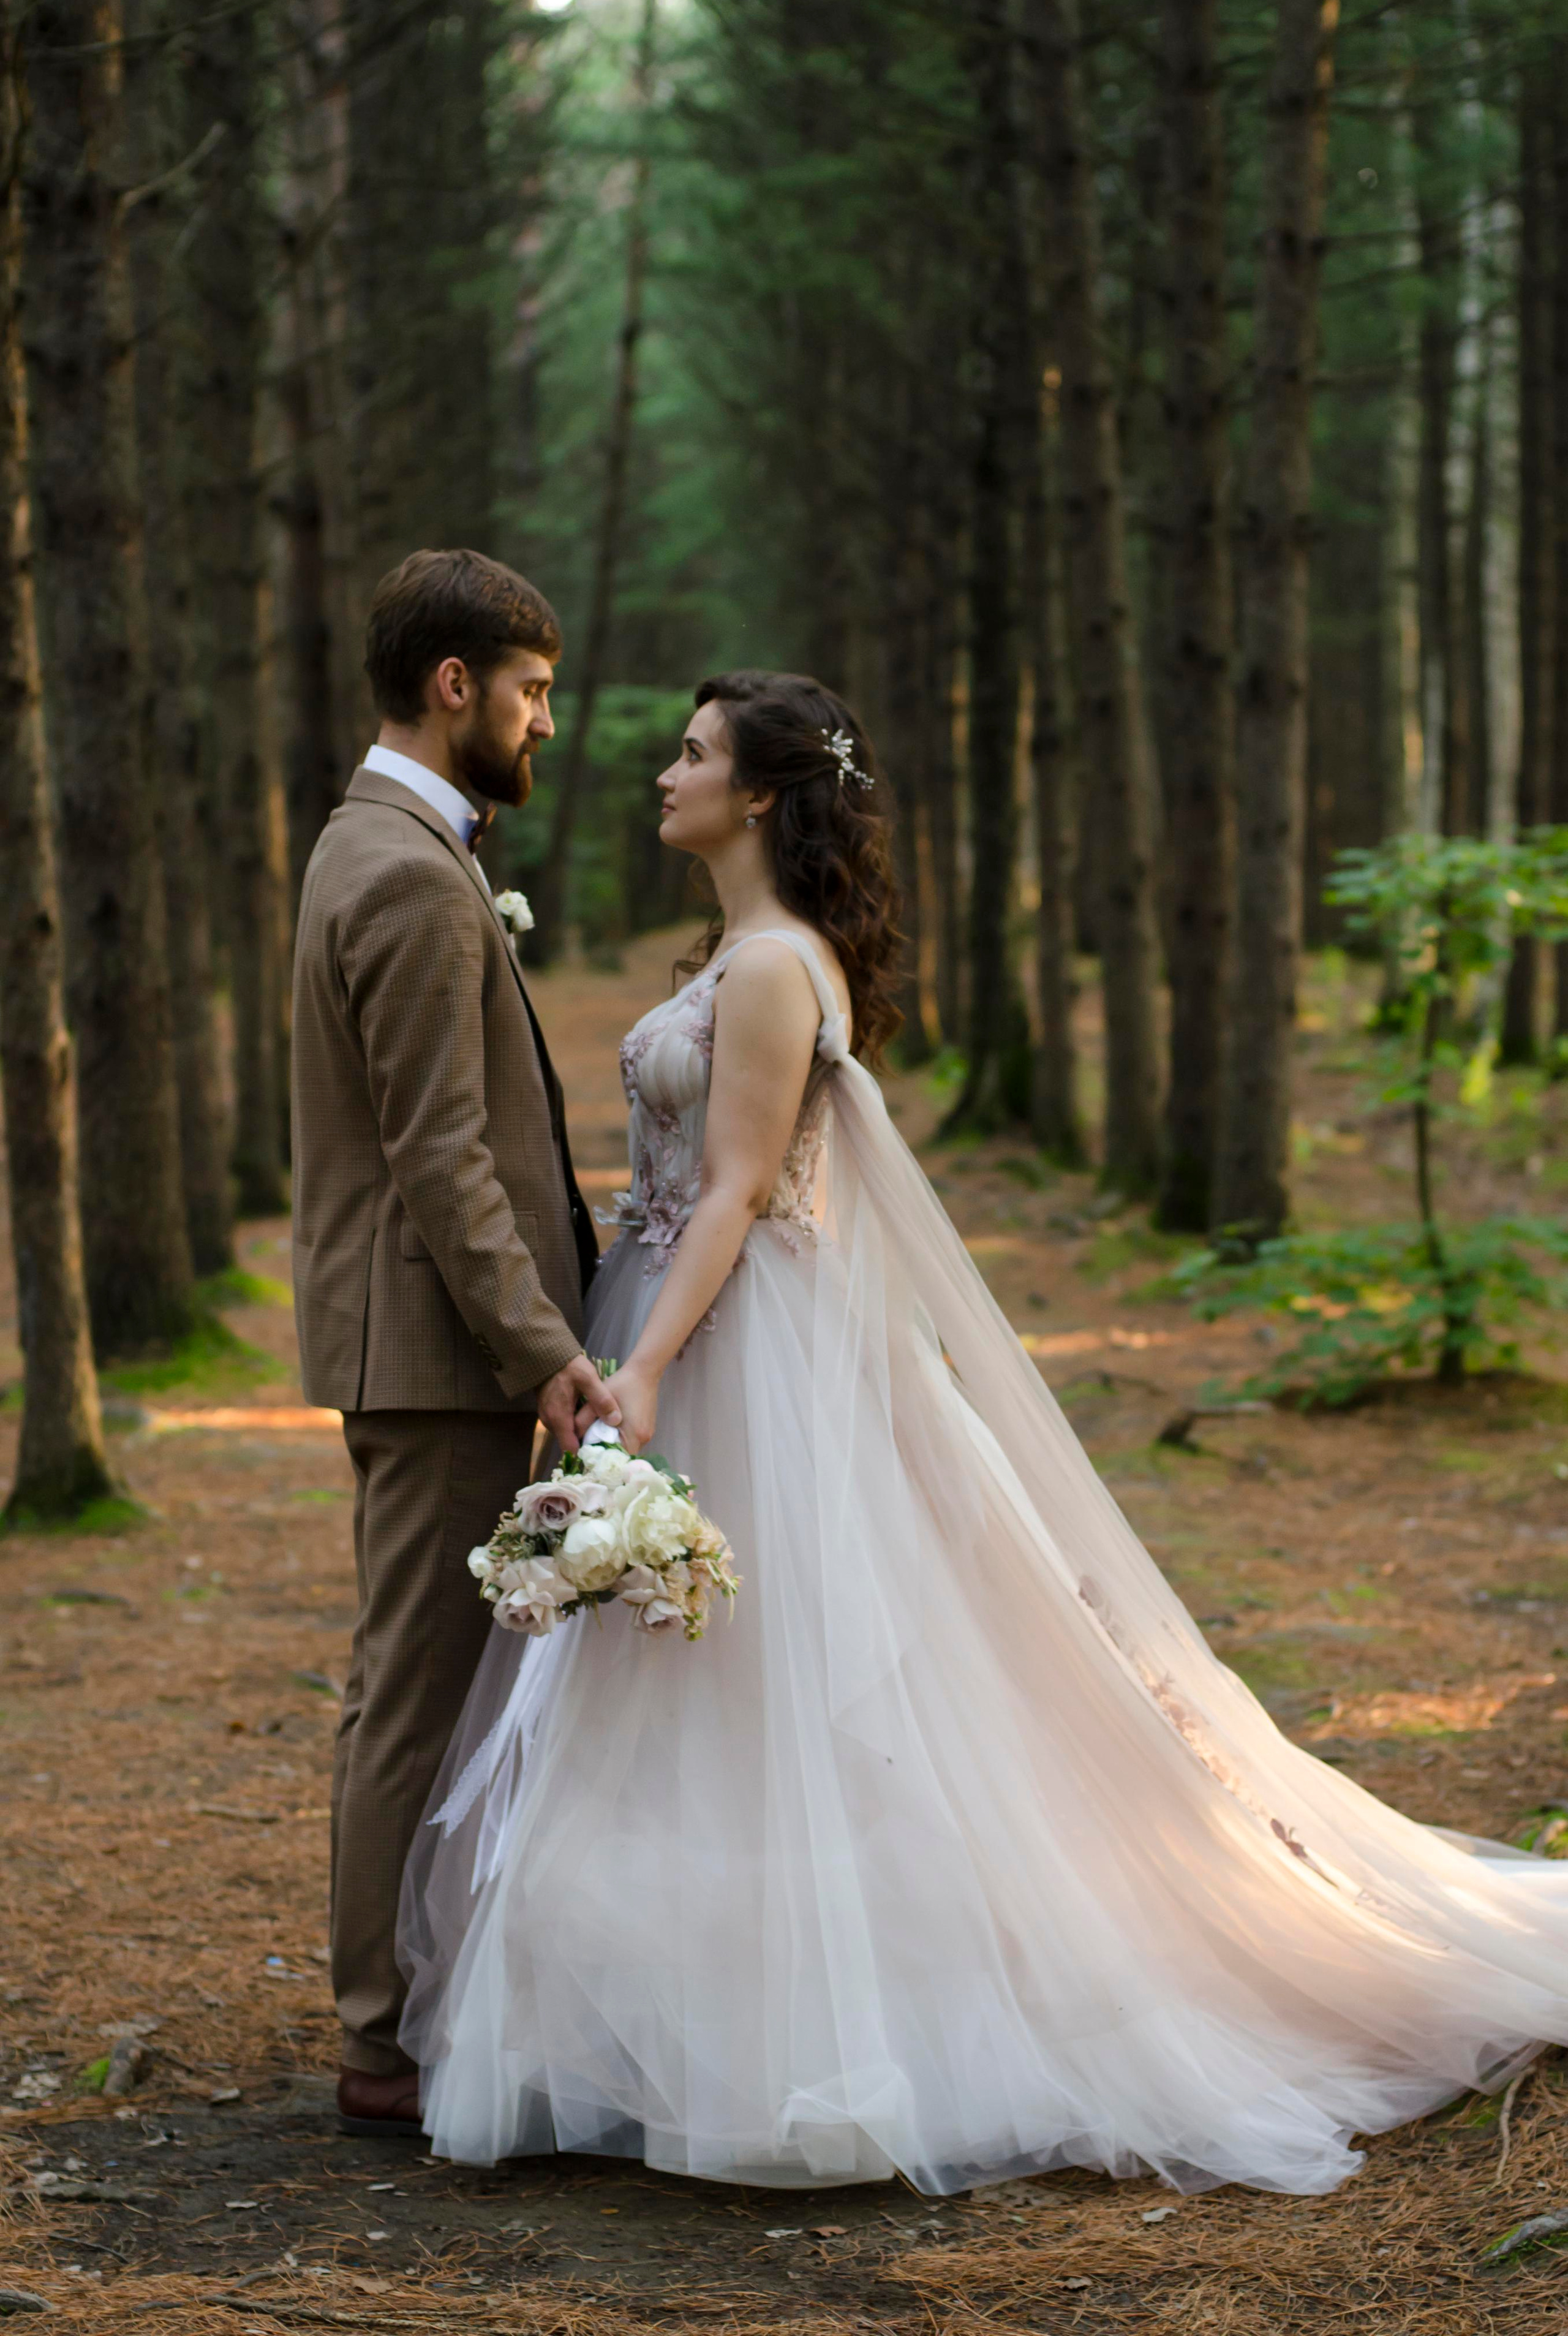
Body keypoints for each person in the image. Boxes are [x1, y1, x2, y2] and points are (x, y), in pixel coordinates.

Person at [398, 668, 1568, 2198]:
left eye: (690, 755)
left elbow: (742, 1188)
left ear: (757, 795)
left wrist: (652, 1370)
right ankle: (680, 2023)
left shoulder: (766, 971)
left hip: (734, 1343)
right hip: (684, 1313)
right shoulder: (746, 953)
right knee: (690, 1691)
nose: (660, 772)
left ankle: (807, 2032)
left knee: (765, 1685)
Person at [290, 548, 620, 2137]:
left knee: (420, 1685)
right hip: (434, 1355)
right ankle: (377, 2038)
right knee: (410, 1693)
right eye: (532, 691)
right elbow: (440, 1156)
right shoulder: (415, 874)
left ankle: (417, 1996)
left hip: (425, 1347)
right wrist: (536, 1344)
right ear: (454, 686)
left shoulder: (383, 842)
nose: (543, 723)